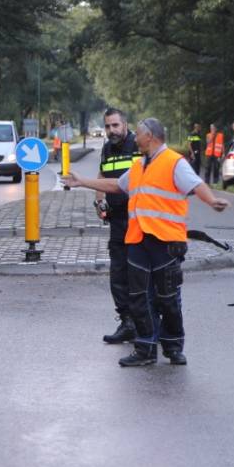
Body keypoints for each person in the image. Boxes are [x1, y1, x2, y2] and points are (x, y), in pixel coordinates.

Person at [64, 118, 230, 366]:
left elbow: (196, 185)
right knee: (140, 297)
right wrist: (82, 182)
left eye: (139, 134)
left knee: (168, 297)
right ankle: (145, 349)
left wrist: (212, 201)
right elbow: (115, 185)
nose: (135, 137)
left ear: (150, 136)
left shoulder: (174, 162)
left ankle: (173, 347)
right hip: (139, 240)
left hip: (166, 242)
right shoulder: (140, 165)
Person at [96, 108, 141, 344]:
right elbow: (102, 176)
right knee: (118, 273)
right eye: (107, 126)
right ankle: (127, 322)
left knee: (140, 273)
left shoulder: (139, 146)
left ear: (125, 125)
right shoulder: (107, 148)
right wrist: (99, 200)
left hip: (140, 220)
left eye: (115, 125)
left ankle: (147, 323)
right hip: (117, 219)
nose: (111, 130)